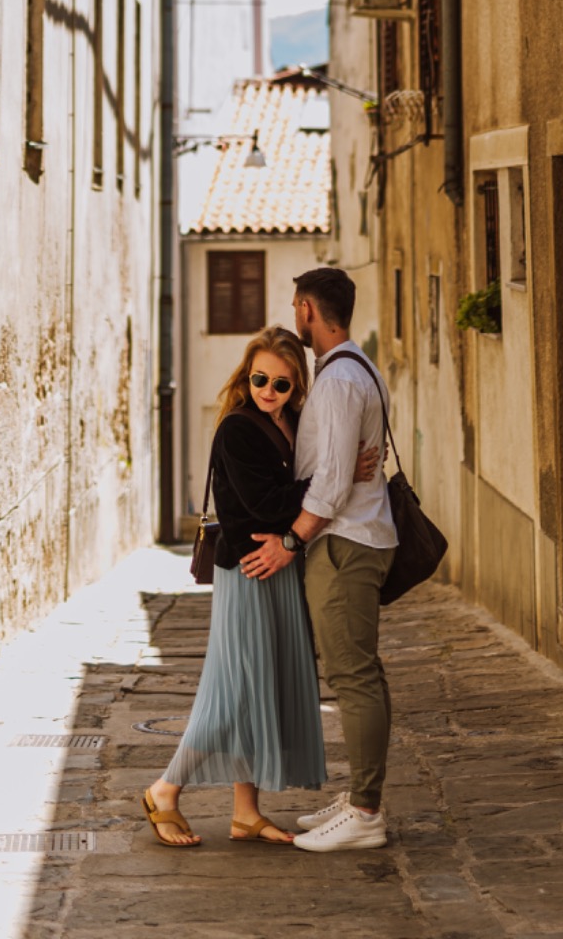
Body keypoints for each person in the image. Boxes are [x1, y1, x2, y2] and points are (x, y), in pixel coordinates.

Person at [142, 326, 378, 849]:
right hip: (249, 569)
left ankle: (245, 813)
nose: (268, 390)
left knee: (259, 689)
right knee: (235, 695)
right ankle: (164, 790)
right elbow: (266, 504)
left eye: (282, 383)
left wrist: (336, 473)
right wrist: (337, 479)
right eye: (259, 379)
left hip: (279, 568)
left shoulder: (291, 422)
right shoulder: (237, 429)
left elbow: (306, 481)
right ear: (245, 376)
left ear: (298, 388)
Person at [242, 267, 396, 853]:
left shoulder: (335, 382)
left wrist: (289, 542)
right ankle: (360, 794)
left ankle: (365, 811)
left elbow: (330, 484)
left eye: (293, 304)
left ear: (307, 308)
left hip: (344, 544)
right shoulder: (359, 367)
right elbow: (342, 463)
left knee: (354, 677)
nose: (294, 313)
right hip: (357, 536)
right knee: (361, 674)